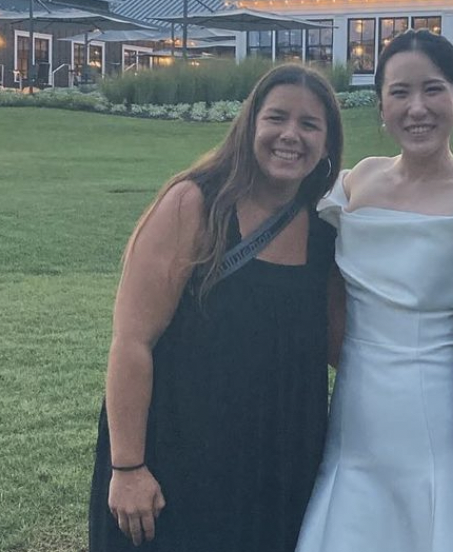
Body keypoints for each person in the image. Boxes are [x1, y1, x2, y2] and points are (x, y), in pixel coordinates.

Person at [88, 64, 344, 552]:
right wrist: (128, 467)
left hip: (276, 473)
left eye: (309, 124)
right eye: (277, 118)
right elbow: (132, 342)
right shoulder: (194, 204)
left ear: (327, 144)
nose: (290, 135)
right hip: (174, 465)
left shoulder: (324, 233)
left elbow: (343, 348)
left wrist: (450, 319)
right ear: (250, 125)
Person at [295, 29, 453, 552]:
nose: (416, 108)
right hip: (358, 406)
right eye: (399, 93)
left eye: (433, 89)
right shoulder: (358, 181)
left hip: (443, 407)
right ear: (381, 106)